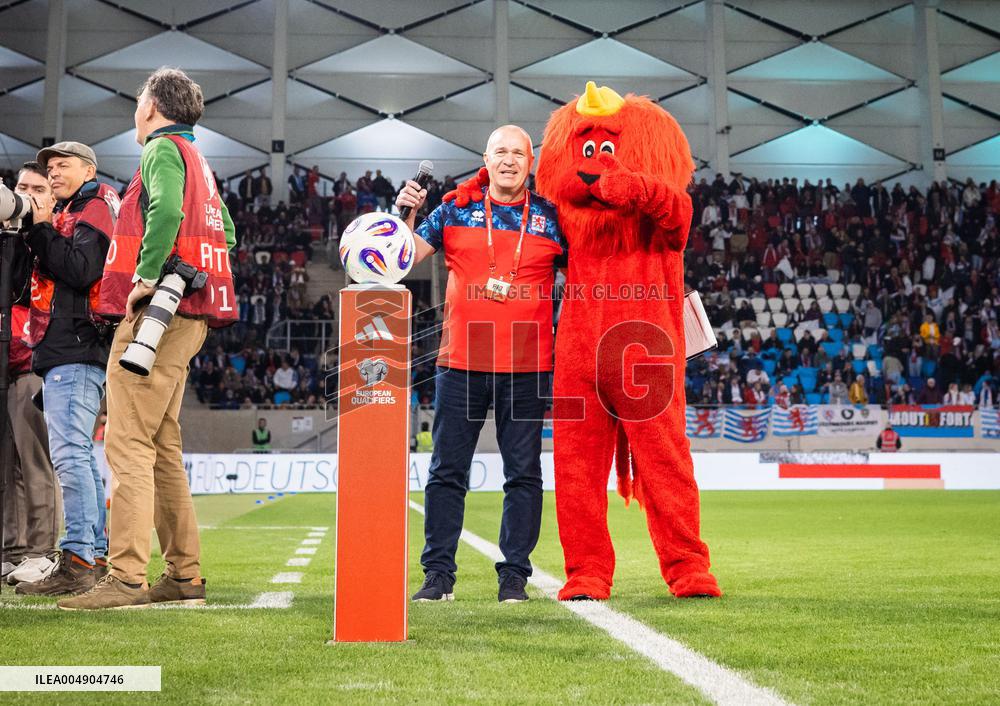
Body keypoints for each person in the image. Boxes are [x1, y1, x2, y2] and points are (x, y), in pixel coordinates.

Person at [59, 68, 237, 610]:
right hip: (191, 316)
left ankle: (127, 577)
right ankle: (183, 576)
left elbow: (167, 212)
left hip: (157, 315)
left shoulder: (161, 151)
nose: (135, 109)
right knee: (161, 447)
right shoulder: (198, 159)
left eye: (139, 99)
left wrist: (149, 277)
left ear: (154, 106)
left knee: (127, 443)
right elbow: (227, 232)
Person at [396, 125, 563, 603]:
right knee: (448, 471)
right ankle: (438, 576)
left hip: (529, 366)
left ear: (531, 163)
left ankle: (514, 576)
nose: (509, 160)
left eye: (518, 152)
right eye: (500, 152)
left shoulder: (552, 218)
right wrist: (403, 213)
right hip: (461, 362)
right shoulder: (453, 209)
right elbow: (401, 261)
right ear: (485, 159)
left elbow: (592, 270)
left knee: (524, 474)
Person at [15, 142, 118, 597]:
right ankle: (91, 551)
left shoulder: (93, 208)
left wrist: (39, 228)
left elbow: (80, 269)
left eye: (63, 165)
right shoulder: (81, 208)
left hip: (75, 344)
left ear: (89, 169)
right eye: (49, 167)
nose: (53, 172)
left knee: (71, 455)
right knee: (79, 456)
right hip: (72, 345)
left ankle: (78, 556)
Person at [1, 162, 60, 586]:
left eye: (38, 188)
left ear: (52, 197)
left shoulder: (51, 239)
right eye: (21, 186)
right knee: (5, 468)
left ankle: (42, 552)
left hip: (33, 363)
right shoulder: (7, 238)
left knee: (34, 463)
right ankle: (11, 549)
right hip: (5, 364)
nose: (28, 193)